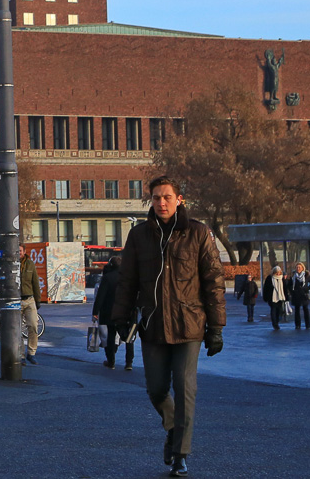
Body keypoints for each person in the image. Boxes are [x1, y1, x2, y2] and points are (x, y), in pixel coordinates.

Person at [111, 176, 225, 478]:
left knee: (186, 388)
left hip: (189, 324)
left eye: (167, 197)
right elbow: (127, 282)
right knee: (156, 388)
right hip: (153, 323)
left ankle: (180, 455)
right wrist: (120, 319)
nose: (162, 202)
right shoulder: (138, 236)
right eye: (157, 197)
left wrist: (216, 327)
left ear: (179, 199)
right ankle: (173, 428)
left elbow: (214, 282)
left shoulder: (199, 233)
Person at [92, 256, 135, 371]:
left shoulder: (107, 278)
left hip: (110, 312)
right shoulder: (128, 278)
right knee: (129, 338)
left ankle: (111, 362)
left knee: (111, 337)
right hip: (126, 312)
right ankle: (129, 363)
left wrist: (95, 312)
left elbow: (100, 297)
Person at [19, 246, 42, 365]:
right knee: (17, 329)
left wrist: (38, 300)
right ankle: (21, 355)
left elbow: (35, 282)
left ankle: (31, 353)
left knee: (33, 326)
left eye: (20, 251)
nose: (19, 253)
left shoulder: (30, 264)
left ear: (24, 252)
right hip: (16, 300)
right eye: (17, 251)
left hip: (29, 299)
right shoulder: (12, 264)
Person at [263, 266, 288, 331]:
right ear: (273, 272)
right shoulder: (269, 278)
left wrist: (286, 297)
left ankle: (277, 321)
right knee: (273, 310)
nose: (278, 274)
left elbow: (285, 288)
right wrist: (265, 297)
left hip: (280, 297)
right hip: (272, 297)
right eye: (276, 272)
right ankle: (275, 323)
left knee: (280, 311)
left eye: (279, 272)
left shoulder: (282, 279)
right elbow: (266, 288)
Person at [290, 262, 310, 329]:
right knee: (297, 310)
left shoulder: (306, 275)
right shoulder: (293, 276)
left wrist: (308, 288)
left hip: (304, 295)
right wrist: (292, 291)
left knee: (305, 309)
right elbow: (289, 284)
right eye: (297, 267)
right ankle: (297, 325)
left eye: (299, 267)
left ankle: (308, 325)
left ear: (302, 268)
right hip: (296, 295)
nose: (298, 268)